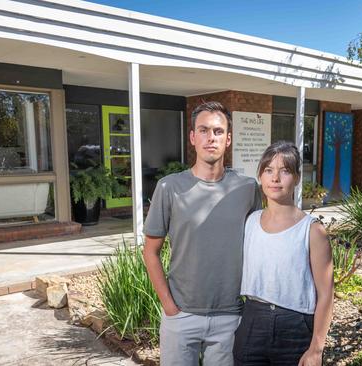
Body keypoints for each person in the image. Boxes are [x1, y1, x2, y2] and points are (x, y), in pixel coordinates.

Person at [143, 101, 261, 366]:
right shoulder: (169, 187)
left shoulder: (247, 188)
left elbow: (258, 245)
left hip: (230, 316)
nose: (211, 137)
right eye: (204, 130)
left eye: (218, 131)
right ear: (193, 137)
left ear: (228, 139)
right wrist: (169, 306)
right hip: (181, 315)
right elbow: (150, 251)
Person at [234, 141, 334, 366]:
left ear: (297, 178)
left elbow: (326, 294)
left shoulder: (312, 230)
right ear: (260, 176)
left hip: (295, 327)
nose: (275, 178)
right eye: (268, 170)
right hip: (252, 321)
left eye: (285, 171)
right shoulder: (250, 222)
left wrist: (316, 348)